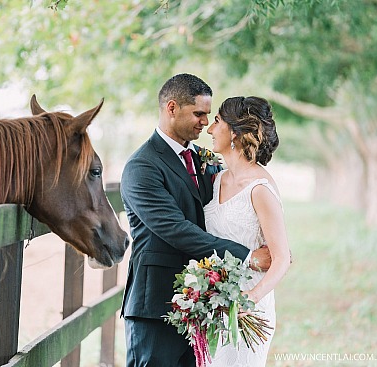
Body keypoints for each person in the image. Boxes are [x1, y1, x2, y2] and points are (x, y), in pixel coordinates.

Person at [120, 74, 272, 367]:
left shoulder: (202, 159)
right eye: (199, 114)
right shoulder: (142, 167)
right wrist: (247, 256)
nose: (205, 123)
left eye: (208, 115)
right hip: (155, 307)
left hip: (200, 303)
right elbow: (175, 229)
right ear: (172, 108)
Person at [204, 96, 291, 366]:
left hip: (246, 311)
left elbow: (282, 258)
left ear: (235, 133)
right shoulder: (216, 179)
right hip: (212, 307)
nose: (209, 129)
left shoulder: (259, 188)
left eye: (216, 121)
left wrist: (249, 300)